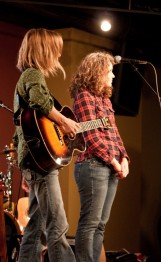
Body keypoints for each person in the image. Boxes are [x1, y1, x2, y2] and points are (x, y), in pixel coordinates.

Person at [12, 28, 78, 261]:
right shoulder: (33, 75)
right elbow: (41, 101)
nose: (58, 57)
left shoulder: (26, 78)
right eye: (56, 51)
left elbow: (20, 128)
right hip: (40, 166)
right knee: (57, 226)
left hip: (32, 163)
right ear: (44, 51)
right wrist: (64, 121)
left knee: (34, 229)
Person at [69, 51, 130, 261]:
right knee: (90, 222)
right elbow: (91, 136)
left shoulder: (105, 100)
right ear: (97, 72)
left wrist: (124, 159)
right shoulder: (84, 97)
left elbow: (114, 133)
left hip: (110, 166)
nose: (113, 76)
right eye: (110, 71)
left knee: (101, 224)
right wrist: (114, 161)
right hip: (93, 165)